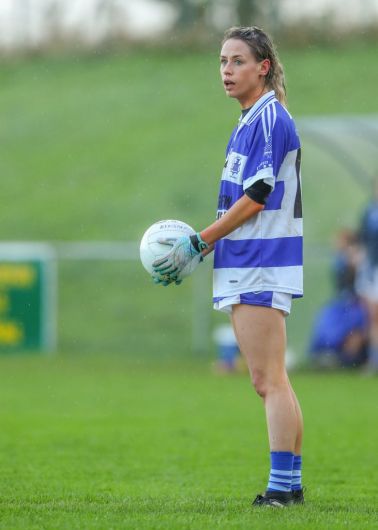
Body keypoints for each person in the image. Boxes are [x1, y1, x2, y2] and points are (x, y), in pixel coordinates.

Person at [152, 26, 304, 508]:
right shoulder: (249, 120)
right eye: (222, 61)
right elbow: (243, 201)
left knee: (268, 379)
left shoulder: (266, 117)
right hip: (248, 257)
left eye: (237, 61)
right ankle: (291, 485)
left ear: (263, 67)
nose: (226, 70)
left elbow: (258, 196)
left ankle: (280, 490)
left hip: (261, 259)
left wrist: (200, 240)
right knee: (272, 378)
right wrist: (208, 245)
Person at [355, 179, 378, 373]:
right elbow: (362, 240)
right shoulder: (369, 211)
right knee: (372, 318)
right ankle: (373, 359)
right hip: (372, 272)